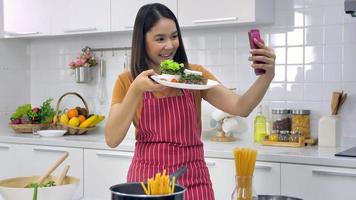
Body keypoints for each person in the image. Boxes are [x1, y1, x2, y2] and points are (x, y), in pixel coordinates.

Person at [105, 3, 276, 199]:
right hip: (147, 185)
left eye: (174, 36)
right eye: (160, 39)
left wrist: (267, 76)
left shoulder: (191, 76)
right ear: (142, 41)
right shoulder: (127, 81)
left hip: (193, 182)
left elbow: (241, 107)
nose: (170, 45)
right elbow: (112, 139)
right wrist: (136, 90)